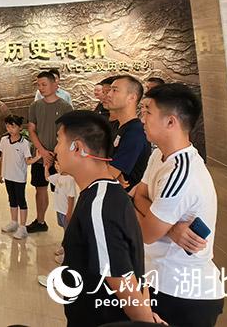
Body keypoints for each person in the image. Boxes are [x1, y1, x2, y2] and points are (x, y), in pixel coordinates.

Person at [53, 111, 162, 326]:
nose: (55, 149)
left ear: (77, 148)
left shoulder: (99, 206)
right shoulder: (106, 193)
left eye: (59, 141)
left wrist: (146, 321)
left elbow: (121, 280)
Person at [132, 84, 224, 326]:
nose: (142, 119)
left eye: (148, 112)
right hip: (159, 280)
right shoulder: (158, 155)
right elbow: (138, 195)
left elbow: (147, 233)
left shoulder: (182, 172)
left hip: (184, 293)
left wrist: (154, 222)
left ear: (171, 121)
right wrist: (171, 228)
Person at [27, 71, 73, 233]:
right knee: (40, 188)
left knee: (62, 192)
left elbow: (68, 134)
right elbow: (31, 130)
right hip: (40, 156)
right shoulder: (35, 106)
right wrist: (43, 152)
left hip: (59, 159)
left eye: (44, 84)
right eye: (38, 85)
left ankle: (67, 230)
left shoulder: (65, 107)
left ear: (55, 85)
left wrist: (55, 155)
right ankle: (40, 221)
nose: (41, 88)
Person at [105, 75, 151, 191]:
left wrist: (114, 173)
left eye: (115, 90)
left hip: (126, 198)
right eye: (110, 90)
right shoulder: (115, 125)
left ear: (132, 97)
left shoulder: (136, 131)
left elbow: (109, 175)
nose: (109, 94)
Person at [0, 115, 36, 240]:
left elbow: (28, 161)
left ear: (20, 128)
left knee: (21, 201)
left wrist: (38, 157)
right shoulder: (4, 140)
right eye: (8, 126)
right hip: (8, 176)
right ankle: (14, 222)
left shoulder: (25, 143)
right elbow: (2, 157)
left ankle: (22, 227)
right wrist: (0, 173)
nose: (10, 129)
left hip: (19, 177)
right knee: (12, 199)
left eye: (13, 127)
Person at [44, 158, 77, 264]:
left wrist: (69, 212)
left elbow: (71, 197)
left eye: (58, 164)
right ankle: (64, 246)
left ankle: (68, 255)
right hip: (59, 210)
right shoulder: (58, 176)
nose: (56, 166)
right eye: (55, 164)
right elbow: (47, 178)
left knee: (68, 232)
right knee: (64, 229)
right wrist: (46, 167)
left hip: (66, 211)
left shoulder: (70, 179)